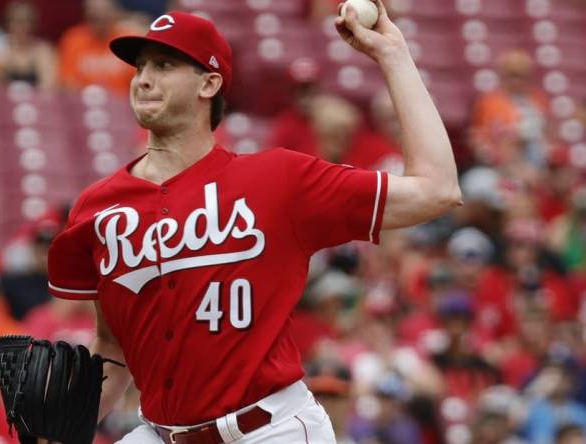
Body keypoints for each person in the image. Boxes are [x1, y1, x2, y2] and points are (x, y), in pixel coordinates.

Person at [47, 4, 461, 442]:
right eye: (141, 67)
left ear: (210, 83)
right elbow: (113, 350)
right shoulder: (98, 208)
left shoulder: (278, 181)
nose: (144, 78)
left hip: (268, 429)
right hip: (159, 432)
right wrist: (57, 429)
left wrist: (393, 55)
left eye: (165, 65)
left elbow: (437, 189)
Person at [58, 0, 140, 95]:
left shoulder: (128, 39)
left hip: (124, 104)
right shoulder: (73, 39)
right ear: (86, 15)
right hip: (84, 104)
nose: (101, 23)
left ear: (115, 14)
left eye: (105, 16)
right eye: (95, 18)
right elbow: (67, 83)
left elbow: (137, 81)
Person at [2, 1, 58, 89]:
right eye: (17, 22)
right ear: (8, 24)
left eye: (27, 21)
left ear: (34, 24)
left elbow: (48, 85)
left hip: (35, 100)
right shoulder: (2, 47)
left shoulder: (43, 50)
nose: (22, 27)